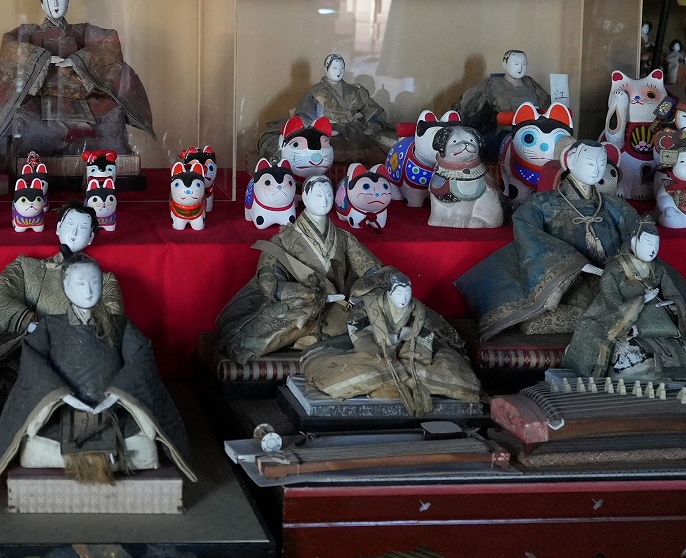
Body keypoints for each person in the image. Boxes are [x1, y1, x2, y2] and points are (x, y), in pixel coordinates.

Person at [0, 253, 195, 485]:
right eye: (80, 283)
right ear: (66, 287)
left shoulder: (121, 324)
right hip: (61, 407)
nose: (88, 291)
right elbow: (33, 360)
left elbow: (140, 358)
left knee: (140, 435)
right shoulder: (49, 326)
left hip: (116, 406)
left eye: (95, 282)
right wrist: (64, 395)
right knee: (41, 435)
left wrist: (116, 395)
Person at [0, 0, 154, 166]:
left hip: (83, 94)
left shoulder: (81, 31)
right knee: (27, 120)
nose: (56, 4)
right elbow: (10, 47)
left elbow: (109, 42)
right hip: (42, 94)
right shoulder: (29, 32)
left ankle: (112, 165)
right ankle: (32, 166)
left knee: (112, 114)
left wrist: (77, 61)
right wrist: (43, 59)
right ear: (42, 3)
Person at [458, 140, 643, 340]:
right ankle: (612, 316)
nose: (597, 170)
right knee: (548, 315)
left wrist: (623, 262)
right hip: (568, 281)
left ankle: (611, 313)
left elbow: (636, 230)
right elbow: (528, 230)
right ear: (570, 161)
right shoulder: (542, 202)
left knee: (638, 300)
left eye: (601, 164)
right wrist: (575, 264)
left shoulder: (614, 205)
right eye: (590, 163)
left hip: (610, 275)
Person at [0, 202, 124, 406]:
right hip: (19, 345)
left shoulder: (104, 281)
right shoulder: (26, 266)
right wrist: (31, 325)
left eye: (82, 228)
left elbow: (113, 318)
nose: (74, 232)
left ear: (90, 237)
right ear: (58, 228)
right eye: (70, 224)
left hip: (73, 352)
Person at [216, 175, 385, 362]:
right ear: (304, 197)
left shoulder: (344, 237)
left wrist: (367, 288)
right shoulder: (283, 239)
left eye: (329, 195)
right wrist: (305, 294)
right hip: (303, 304)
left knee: (381, 305)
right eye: (318, 195)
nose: (325, 200)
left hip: (338, 304)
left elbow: (371, 269)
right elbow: (270, 281)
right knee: (289, 316)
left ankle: (319, 337)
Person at [300, 269, 482, 417]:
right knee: (346, 369)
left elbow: (426, 335)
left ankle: (400, 384)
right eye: (399, 293)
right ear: (389, 293)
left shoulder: (419, 310)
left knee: (453, 371)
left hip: (409, 347)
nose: (404, 299)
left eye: (407, 293)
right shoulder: (368, 306)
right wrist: (382, 344)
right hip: (374, 345)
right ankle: (392, 380)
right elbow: (357, 329)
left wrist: (407, 341)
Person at [562, 218, 686, 379]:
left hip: (657, 311)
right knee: (598, 332)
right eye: (648, 244)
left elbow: (672, 292)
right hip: (624, 311)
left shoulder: (658, 269)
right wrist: (640, 301)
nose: (653, 250)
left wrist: (672, 303)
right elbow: (610, 296)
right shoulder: (615, 269)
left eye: (656, 245)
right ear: (634, 242)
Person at [293, 53, 396, 163]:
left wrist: (374, 126)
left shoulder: (355, 90)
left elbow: (374, 111)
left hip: (358, 130)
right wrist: (320, 130)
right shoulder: (315, 92)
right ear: (326, 69)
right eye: (335, 68)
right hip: (329, 131)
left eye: (342, 68)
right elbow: (304, 116)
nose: (339, 71)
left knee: (387, 147)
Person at [454, 49, 552, 157]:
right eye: (516, 64)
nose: (520, 68)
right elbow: (468, 105)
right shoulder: (493, 84)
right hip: (506, 133)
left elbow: (548, 104)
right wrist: (453, 120)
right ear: (505, 64)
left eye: (524, 64)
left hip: (535, 131)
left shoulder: (530, 82)